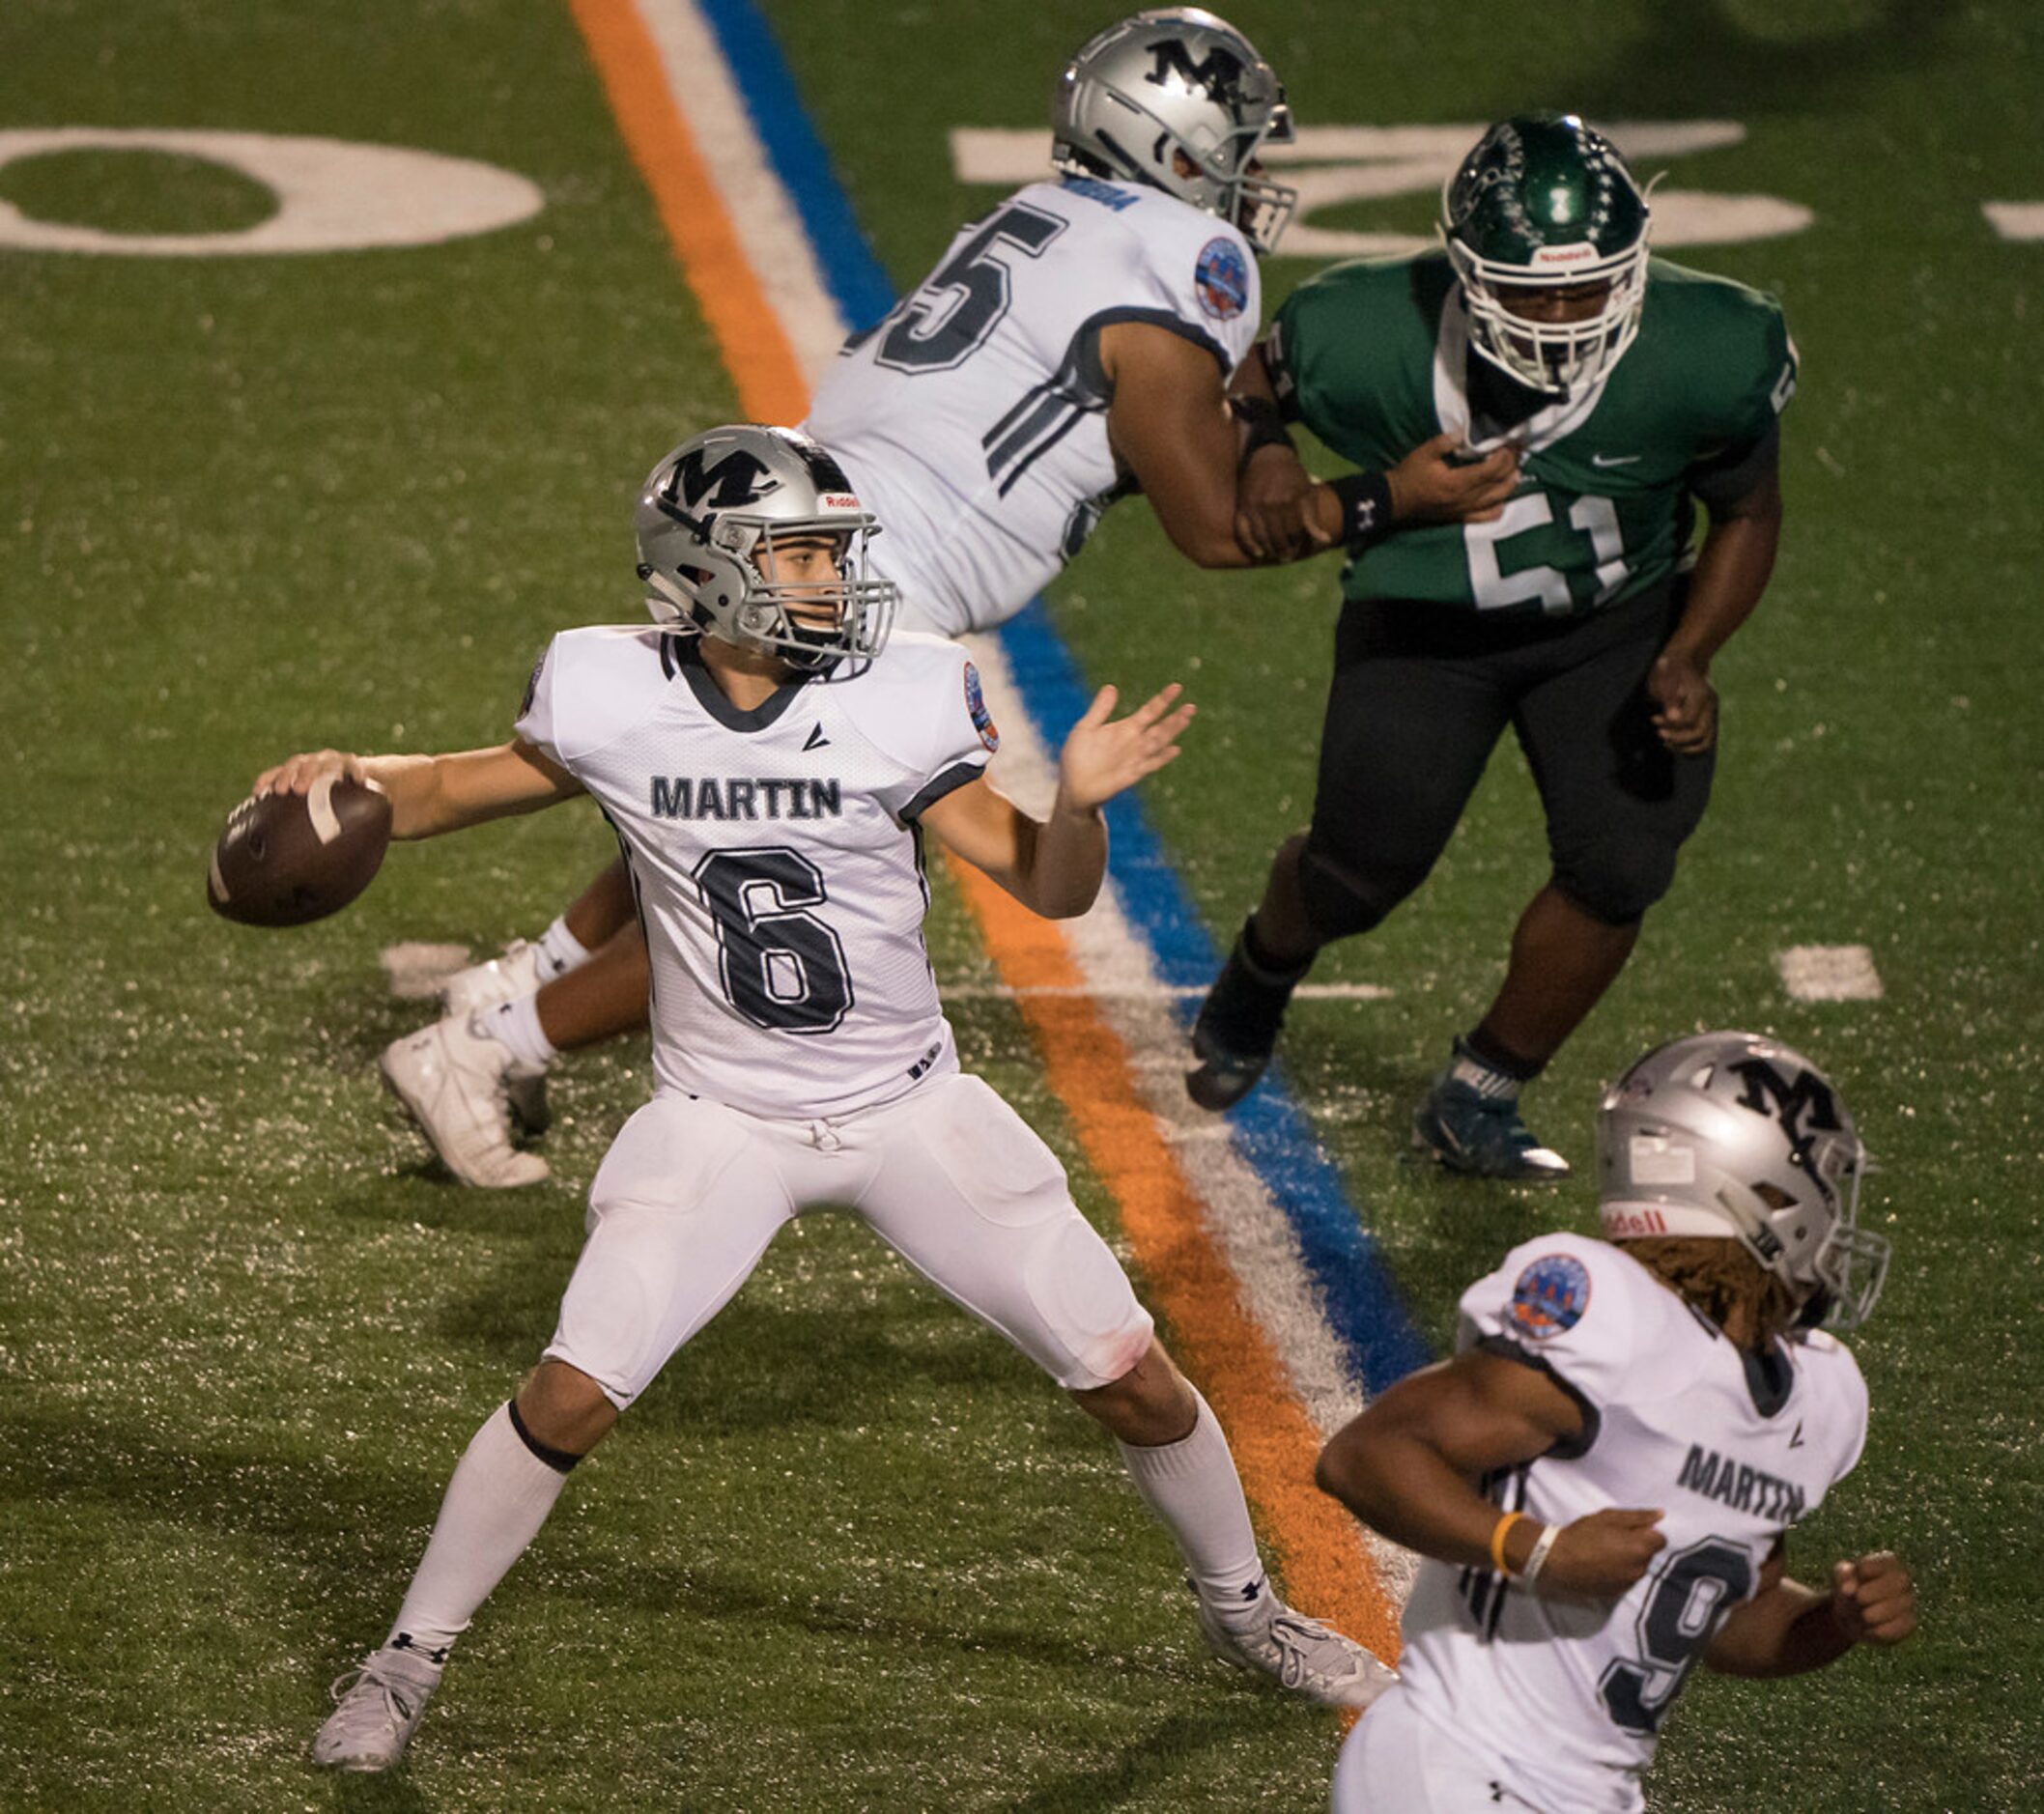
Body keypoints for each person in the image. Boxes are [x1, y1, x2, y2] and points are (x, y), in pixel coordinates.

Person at [277, 425, 1394, 1772]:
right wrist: (342, 775)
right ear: (706, 567)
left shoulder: (902, 692)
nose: (831, 577)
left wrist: (1080, 806)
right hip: (717, 1118)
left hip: (911, 1106)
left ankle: (1246, 1610)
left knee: (1131, 1373)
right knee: (573, 1389)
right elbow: (456, 787)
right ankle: (405, 1659)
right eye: (800, 551)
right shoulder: (608, 692)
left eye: (830, 549)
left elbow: (1049, 885)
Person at [378, 7, 1517, 1187]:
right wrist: (1388, 500)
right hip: (858, 581)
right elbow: (1218, 534)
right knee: (771, 878)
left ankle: (518, 986)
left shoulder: (1049, 216)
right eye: (1239, 143)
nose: (1255, 171)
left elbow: (1135, 412)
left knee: (714, 810)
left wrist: (1261, 436)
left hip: (805, 529)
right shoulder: (1187, 257)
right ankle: (486, 1045)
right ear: (1175, 151)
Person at [1185, 112, 1800, 1180]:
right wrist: (1272, 447)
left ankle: (1482, 1091)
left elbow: (1747, 510)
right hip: (1424, 627)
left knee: (1622, 859)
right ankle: (1262, 966)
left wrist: (1690, 652)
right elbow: (1239, 379)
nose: (1563, 316)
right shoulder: (1361, 326)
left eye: (1588, 286)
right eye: (1531, 291)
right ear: (1463, 271)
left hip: (1610, 630)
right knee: (1359, 872)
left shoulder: (1708, 345)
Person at [1314, 1030, 1916, 1812]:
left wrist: (1832, 1621)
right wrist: (1537, 1552)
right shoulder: (1613, 1318)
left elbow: (1724, 1620)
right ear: (1742, 1188)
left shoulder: (1818, 1397)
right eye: (1813, 1182)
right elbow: (1364, 1456)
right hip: (1455, 1761)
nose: (1832, 1215)